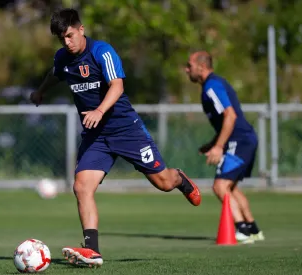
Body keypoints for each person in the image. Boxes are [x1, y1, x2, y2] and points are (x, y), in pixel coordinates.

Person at [29, 8, 201, 267]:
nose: (66, 42)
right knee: (81, 186)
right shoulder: (63, 58)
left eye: (69, 35)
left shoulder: (102, 52)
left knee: (163, 183)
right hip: (95, 136)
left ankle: (180, 178)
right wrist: (40, 91)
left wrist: (99, 110)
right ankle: (93, 251)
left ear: (81, 29)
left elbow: (117, 86)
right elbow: (55, 73)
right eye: (61, 38)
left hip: (126, 130)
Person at [184, 51, 264, 244]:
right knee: (231, 187)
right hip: (244, 139)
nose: (187, 70)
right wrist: (212, 144)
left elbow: (230, 116)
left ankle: (241, 230)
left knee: (220, 186)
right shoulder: (213, 85)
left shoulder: (212, 86)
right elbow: (226, 120)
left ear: (201, 67)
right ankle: (252, 229)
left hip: (239, 140)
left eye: (189, 65)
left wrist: (219, 147)